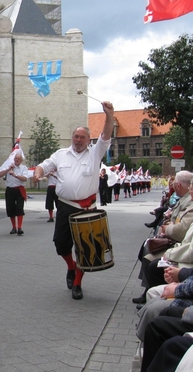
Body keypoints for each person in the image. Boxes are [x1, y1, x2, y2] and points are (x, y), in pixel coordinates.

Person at [32, 101, 114, 300]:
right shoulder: (61, 155)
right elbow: (44, 165)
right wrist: (37, 173)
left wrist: (109, 115)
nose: (78, 140)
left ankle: (77, 283)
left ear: (88, 139)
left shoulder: (96, 153)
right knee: (61, 244)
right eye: (75, 137)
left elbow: (106, 135)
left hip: (87, 208)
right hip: (66, 206)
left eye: (82, 137)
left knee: (85, 248)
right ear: (72, 138)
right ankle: (71, 267)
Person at [133, 171, 193, 305]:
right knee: (146, 247)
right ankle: (149, 292)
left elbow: (184, 237)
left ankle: (154, 295)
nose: (191, 192)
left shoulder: (192, 205)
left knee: (150, 261)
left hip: (181, 252)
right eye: (190, 188)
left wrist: (169, 252)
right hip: (179, 246)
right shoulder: (189, 201)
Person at [0, 152, 28, 235]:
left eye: (18, 159)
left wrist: (15, 175)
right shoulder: (8, 167)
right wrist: (7, 169)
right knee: (10, 208)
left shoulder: (23, 168)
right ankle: (13, 227)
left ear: (21, 160)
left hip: (19, 189)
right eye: (15, 159)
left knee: (19, 208)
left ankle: (19, 227)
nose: (16, 160)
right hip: (10, 190)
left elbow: (24, 178)